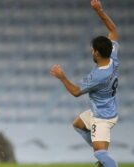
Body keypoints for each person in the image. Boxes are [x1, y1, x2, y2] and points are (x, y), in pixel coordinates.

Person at [50, 0, 119, 167]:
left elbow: (75, 92)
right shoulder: (113, 57)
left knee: (100, 152)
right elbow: (113, 30)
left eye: (92, 49)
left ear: (96, 52)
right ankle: (102, 157)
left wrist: (62, 77)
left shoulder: (97, 76)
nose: (91, 51)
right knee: (79, 125)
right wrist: (99, 10)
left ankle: (104, 159)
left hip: (102, 117)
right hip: (104, 108)